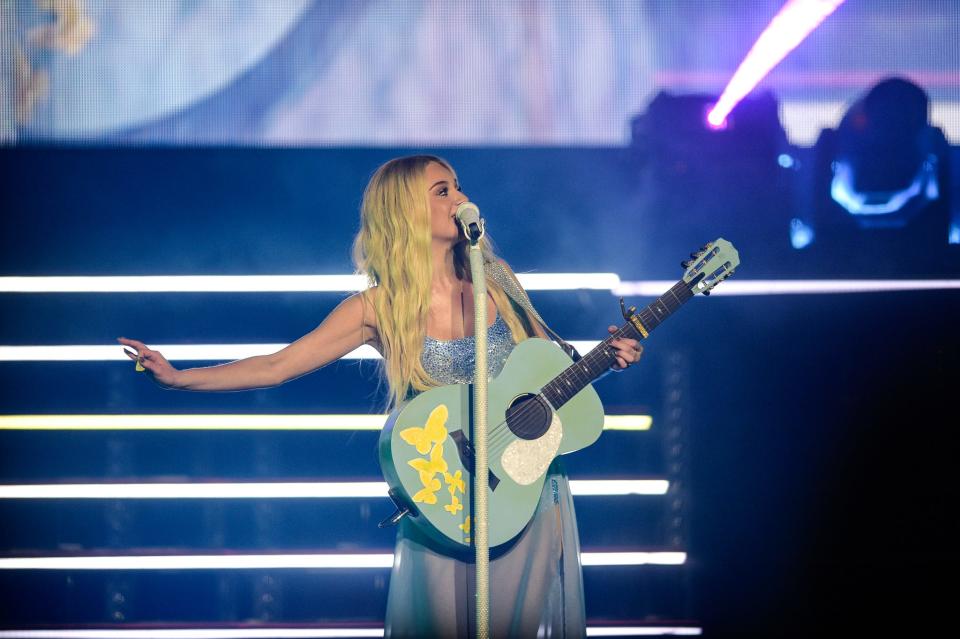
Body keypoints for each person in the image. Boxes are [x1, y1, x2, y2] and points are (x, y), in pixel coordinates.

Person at [118, 155, 643, 637]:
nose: (460, 198)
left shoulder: (497, 283)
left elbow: (544, 380)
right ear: (406, 212)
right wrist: (180, 377)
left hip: (524, 489)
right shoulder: (378, 306)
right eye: (442, 191)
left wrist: (605, 360)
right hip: (446, 495)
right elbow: (279, 366)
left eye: (458, 187)